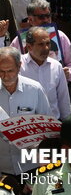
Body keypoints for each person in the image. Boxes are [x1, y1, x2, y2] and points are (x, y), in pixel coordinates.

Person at [0, 46, 51, 176]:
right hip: (3, 168)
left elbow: (48, 127)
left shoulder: (34, 89)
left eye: (10, 71)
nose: (5, 76)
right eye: (1, 71)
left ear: (19, 66)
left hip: (31, 166)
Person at [21, 26, 71, 119]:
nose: (46, 48)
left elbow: (63, 99)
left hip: (53, 125)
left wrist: (67, 123)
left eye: (48, 43)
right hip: (27, 125)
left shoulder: (56, 66)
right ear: (29, 47)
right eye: (41, 44)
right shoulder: (18, 66)